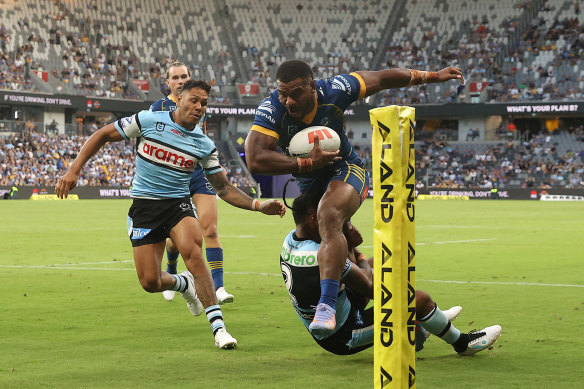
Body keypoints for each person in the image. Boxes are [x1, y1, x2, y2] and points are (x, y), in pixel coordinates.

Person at [56, 79, 286, 349]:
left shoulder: (203, 144)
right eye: (194, 100)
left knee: (194, 251)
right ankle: (182, 284)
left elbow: (223, 189)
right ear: (179, 99)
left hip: (177, 205)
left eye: (204, 103)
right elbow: (103, 135)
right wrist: (73, 170)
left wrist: (259, 205)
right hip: (143, 208)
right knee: (150, 282)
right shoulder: (148, 120)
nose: (199, 107)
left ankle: (219, 329)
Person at [245, 59, 464, 337]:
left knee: (328, 216)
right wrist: (305, 165)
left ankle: (326, 308)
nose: (288, 100)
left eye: (295, 93)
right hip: (309, 183)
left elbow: (382, 78)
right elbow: (254, 158)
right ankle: (417, 329)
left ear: (313, 87)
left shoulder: (336, 89)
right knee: (337, 252)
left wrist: (432, 76)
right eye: (282, 93)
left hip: (345, 168)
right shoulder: (272, 108)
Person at [280, 189, 502, 355]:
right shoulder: (317, 257)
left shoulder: (292, 239)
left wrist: (348, 246)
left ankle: (426, 321)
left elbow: (342, 265)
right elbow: (370, 283)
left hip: (341, 304)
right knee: (419, 300)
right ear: (313, 218)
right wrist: (354, 250)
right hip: (342, 333)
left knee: (387, 262)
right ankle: (461, 343)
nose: (336, 220)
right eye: (332, 216)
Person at [150, 61, 234, 305]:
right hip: (173, 175)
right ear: (167, 83)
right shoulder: (158, 108)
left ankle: (218, 287)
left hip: (198, 174)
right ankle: (173, 270)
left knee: (211, 229)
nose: (180, 80)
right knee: (173, 239)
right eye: (175, 77)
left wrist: (214, 164)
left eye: (184, 76)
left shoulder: (197, 104)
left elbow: (201, 139)